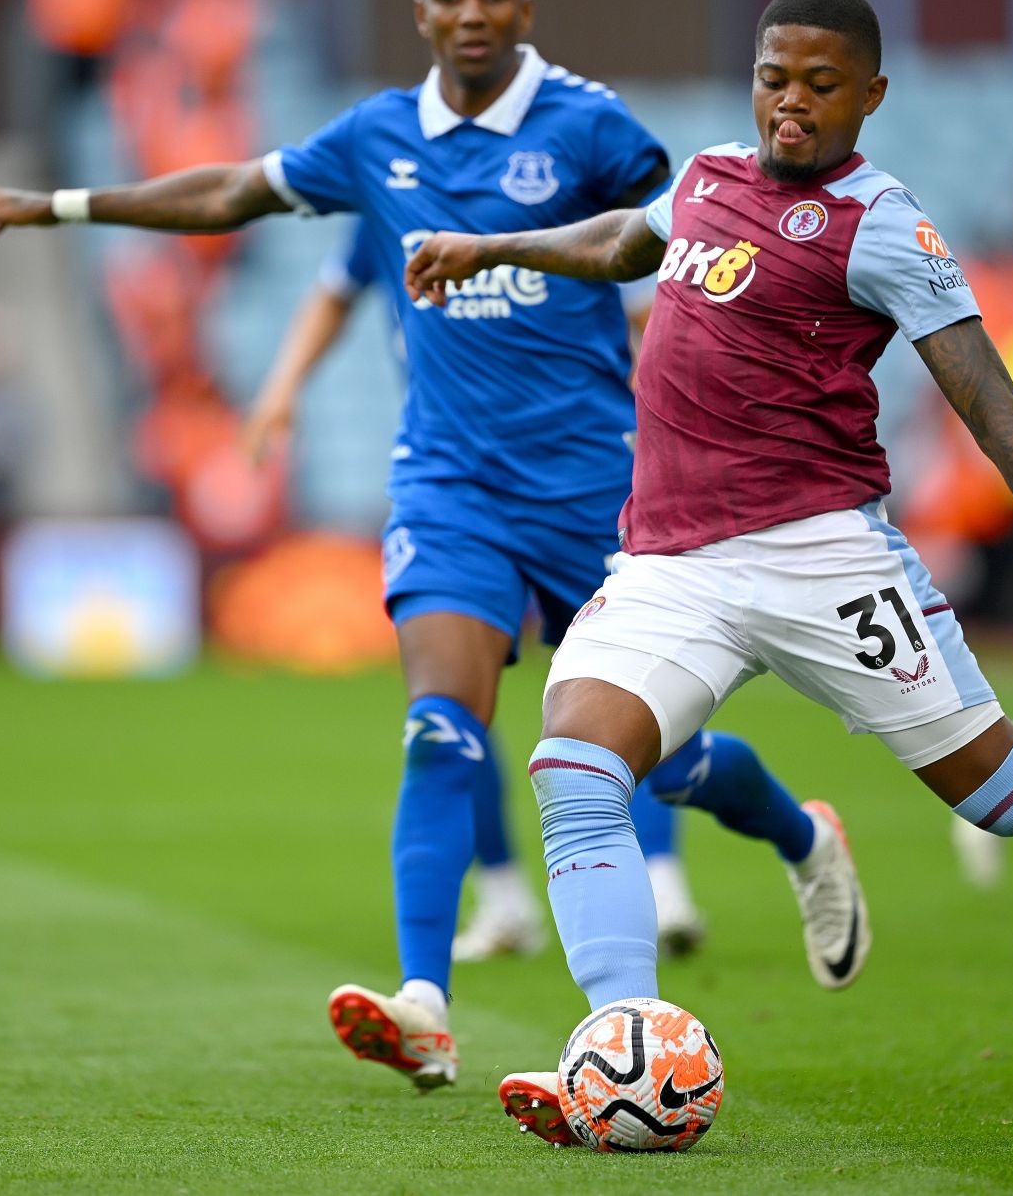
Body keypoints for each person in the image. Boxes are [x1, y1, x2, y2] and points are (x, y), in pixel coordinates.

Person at [0, 0, 861, 1093]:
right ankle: (423, 1001)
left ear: (525, 10)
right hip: (451, 486)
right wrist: (62, 205)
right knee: (442, 726)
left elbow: (684, 241)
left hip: (596, 487)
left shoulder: (590, 126)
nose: (471, 13)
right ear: (422, 16)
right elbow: (234, 188)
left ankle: (802, 837)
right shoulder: (375, 137)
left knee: (654, 769)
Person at [402, 0, 1013, 1148]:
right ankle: (624, 1044)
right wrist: (497, 246)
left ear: (870, 96)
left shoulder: (887, 226)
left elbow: (993, 407)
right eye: (775, 79)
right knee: (575, 766)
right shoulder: (709, 176)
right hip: (673, 561)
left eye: (821, 86)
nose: (791, 106)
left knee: (1009, 794)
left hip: (824, 555)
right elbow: (625, 239)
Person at [242, 230, 707, 961]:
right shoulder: (388, 179)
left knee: (630, 686)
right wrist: (281, 386)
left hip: (578, 484)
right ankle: (503, 897)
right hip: (460, 495)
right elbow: (334, 290)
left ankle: (674, 871)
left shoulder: (565, 163)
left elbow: (650, 302)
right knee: (450, 709)